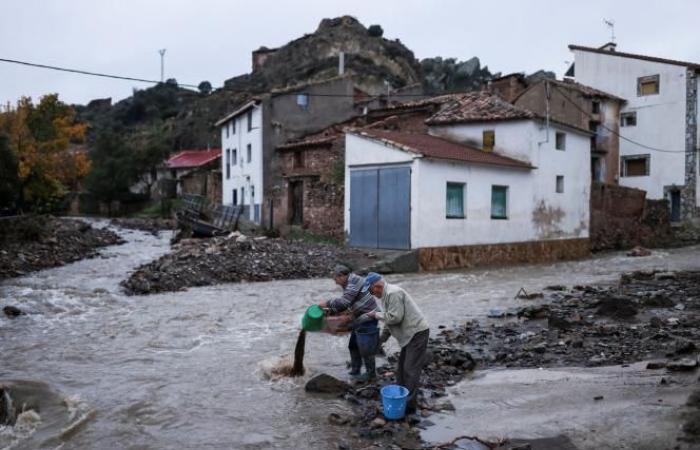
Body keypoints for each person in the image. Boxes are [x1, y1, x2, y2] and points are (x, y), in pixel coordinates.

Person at [363, 272, 429, 413]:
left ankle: (409, 407)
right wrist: (380, 341)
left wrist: (375, 315)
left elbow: (395, 318)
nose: (371, 294)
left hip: (417, 333)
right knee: (401, 370)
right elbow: (389, 322)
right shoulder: (386, 296)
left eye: (370, 290)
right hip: (409, 336)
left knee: (410, 370)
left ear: (377, 286)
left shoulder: (393, 293)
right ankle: (400, 398)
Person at [318, 265, 379, 381]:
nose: (335, 282)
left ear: (341, 276)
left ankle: (371, 375)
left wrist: (327, 303)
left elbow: (344, 302)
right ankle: (355, 370)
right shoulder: (349, 283)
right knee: (353, 346)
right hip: (359, 317)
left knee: (366, 349)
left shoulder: (353, 281)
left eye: (335, 279)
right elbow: (349, 303)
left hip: (368, 318)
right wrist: (331, 312)